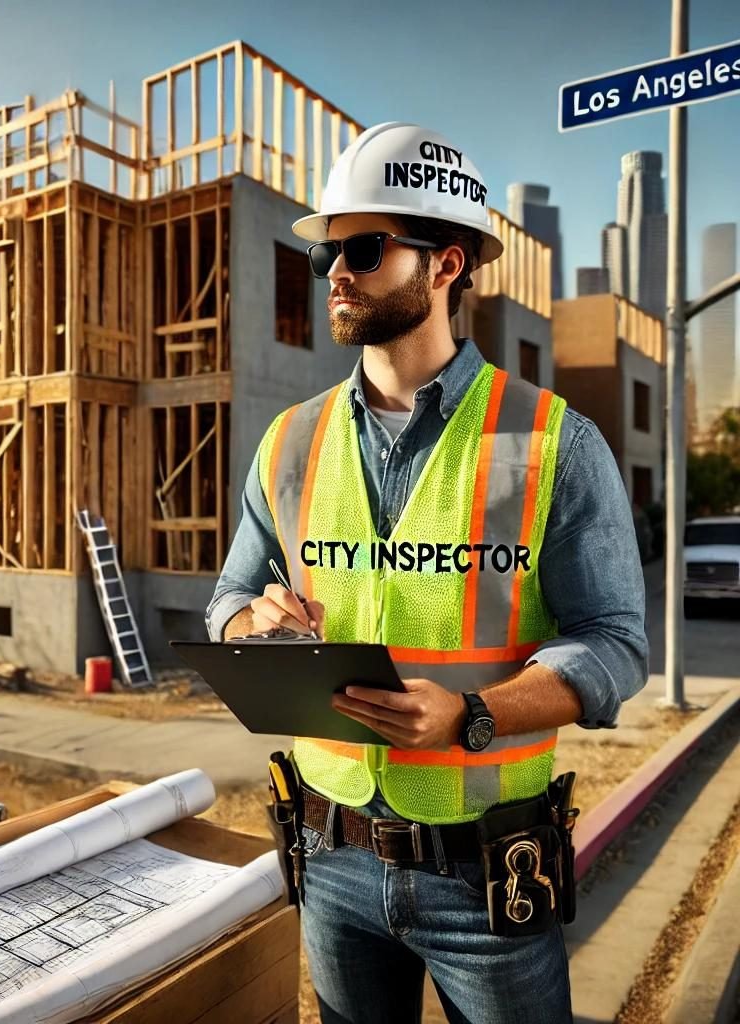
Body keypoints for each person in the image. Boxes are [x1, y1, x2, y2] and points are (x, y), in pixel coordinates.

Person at [204, 123, 648, 1024]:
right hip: (330, 859)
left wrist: (473, 715)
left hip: (485, 876)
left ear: (445, 265)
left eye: (364, 249)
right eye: (332, 249)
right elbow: (225, 606)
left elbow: (615, 643)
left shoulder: (553, 441)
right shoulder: (290, 442)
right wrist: (258, 625)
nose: (335, 270)